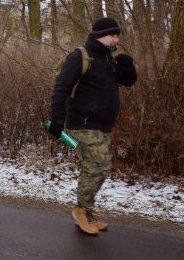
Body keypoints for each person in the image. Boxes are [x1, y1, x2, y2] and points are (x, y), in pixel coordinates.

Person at [48, 17, 137, 235]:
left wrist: (127, 66)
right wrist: (56, 120)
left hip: (102, 125)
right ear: (99, 36)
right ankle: (81, 211)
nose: (116, 40)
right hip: (82, 124)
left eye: (117, 36)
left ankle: (86, 210)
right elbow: (61, 89)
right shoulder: (80, 57)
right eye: (113, 35)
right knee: (98, 165)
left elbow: (128, 82)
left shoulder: (109, 58)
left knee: (99, 167)